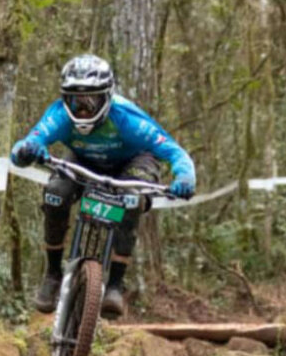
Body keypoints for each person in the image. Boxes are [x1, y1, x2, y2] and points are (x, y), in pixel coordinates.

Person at [10, 53, 196, 318]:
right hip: (83, 158)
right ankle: (52, 273)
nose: (83, 108)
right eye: (75, 100)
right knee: (55, 194)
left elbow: (175, 152)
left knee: (131, 200)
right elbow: (25, 145)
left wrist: (184, 178)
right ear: (65, 99)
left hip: (133, 161)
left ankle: (116, 284)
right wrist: (26, 152)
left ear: (107, 97)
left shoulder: (128, 120)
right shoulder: (60, 116)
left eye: (91, 99)